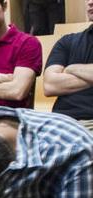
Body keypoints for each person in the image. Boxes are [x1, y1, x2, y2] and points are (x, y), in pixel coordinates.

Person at [43, 0, 93, 132]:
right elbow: (50, 86)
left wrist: (72, 68)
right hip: (61, 121)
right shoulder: (67, 41)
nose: (90, 3)